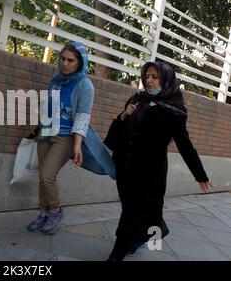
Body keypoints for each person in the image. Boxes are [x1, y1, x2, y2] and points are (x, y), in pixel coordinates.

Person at [105, 61, 214, 261]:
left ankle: (117, 251)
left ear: (166, 80)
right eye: (147, 76)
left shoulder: (175, 111)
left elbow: (185, 145)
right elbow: (117, 135)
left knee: (131, 213)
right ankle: (143, 235)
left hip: (149, 173)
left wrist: (200, 175)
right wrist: (124, 114)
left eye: (155, 77)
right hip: (126, 167)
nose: (149, 80)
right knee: (131, 209)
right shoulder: (137, 99)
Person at [26, 42, 95, 235]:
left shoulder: (85, 85)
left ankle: (55, 211)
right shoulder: (55, 80)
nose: (65, 63)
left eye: (71, 60)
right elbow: (49, 104)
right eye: (63, 59)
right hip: (46, 132)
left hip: (65, 136)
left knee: (48, 174)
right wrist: (39, 123)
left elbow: (83, 115)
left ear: (80, 63)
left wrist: (78, 145)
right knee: (42, 176)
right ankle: (43, 213)